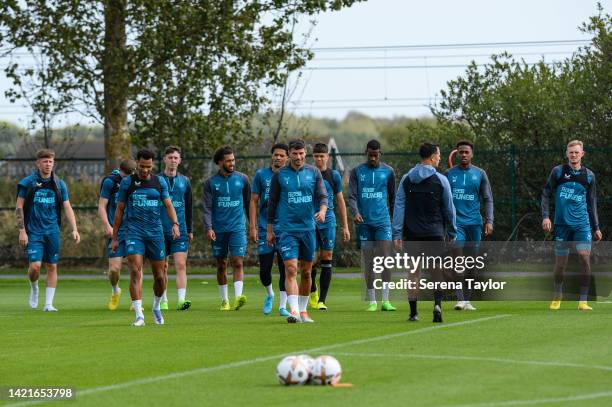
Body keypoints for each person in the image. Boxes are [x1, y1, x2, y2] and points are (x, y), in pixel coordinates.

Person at [112, 148, 180, 326]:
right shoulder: (128, 183)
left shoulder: (159, 182)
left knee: (160, 276)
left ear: (152, 165)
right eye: (142, 166)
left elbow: (168, 205)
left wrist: (175, 224)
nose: (145, 170)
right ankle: (139, 315)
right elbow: (119, 210)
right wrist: (115, 237)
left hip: (155, 233)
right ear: (137, 164)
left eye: (148, 167)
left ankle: (156, 306)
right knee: (135, 270)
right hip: (134, 232)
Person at [393, 141, 456, 322]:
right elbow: (449, 209)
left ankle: (413, 312)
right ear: (431, 157)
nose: (440, 158)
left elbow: (399, 207)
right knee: (437, 271)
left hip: (412, 234)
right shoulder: (441, 180)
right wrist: (452, 231)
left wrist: (397, 234)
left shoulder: (406, 179)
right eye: (438, 154)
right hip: (435, 233)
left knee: (413, 273)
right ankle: (437, 305)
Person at [267, 139, 328, 323]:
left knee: (307, 272)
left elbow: (323, 196)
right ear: (289, 155)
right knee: (291, 269)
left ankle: (303, 311)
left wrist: (323, 211)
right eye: (295, 153)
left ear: (305, 154)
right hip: (286, 229)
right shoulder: (279, 175)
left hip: (308, 229)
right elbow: (272, 203)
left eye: (302, 153)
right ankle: (293, 311)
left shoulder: (314, 172)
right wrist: (270, 230)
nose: (299, 157)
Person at [16, 149, 80, 312]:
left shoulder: (59, 184)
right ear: (38, 163)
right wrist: (22, 230)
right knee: (35, 267)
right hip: (34, 232)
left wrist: (74, 228)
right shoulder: (28, 182)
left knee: (52, 266)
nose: (48, 164)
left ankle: (48, 304)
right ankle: (34, 286)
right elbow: (19, 207)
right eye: (45, 161)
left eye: (50, 161)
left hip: (52, 231)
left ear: (53, 163)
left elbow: (67, 206)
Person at [541, 140, 602, 311]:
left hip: (582, 225)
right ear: (567, 154)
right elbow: (546, 193)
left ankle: (583, 301)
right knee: (561, 263)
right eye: (571, 152)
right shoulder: (558, 172)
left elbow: (591, 202)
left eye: (577, 152)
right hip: (562, 225)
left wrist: (596, 227)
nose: (574, 155)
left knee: (584, 257)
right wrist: (545, 217)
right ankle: (558, 295)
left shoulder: (589, 176)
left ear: (582, 154)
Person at [348, 139, 396, 312]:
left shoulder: (388, 172)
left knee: (385, 258)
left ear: (380, 154)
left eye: (376, 155)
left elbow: (393, 198)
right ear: (366, 153)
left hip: (383, 223)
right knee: (369, 261)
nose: (373, 158)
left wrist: (394, 221)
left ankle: (386, 300)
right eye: (370, 155)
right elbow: (352, 196)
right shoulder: (356, 172)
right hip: (364, 223)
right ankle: (372, 301)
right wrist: (356, 213)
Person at [446, 140, 493, 311]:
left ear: (472, 154)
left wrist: (489, 220)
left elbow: (487, 198)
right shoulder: (449, 174)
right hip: (457, 225)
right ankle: (459, 299)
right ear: (457, 154)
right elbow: (444, 200)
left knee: (472, 263)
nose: (464, 155)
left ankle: (467, 300)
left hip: (474, 224)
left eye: (467, 152)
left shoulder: (480, 174)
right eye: (461, 152)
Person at [203, 146, 250, 311]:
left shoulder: (243, 179)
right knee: (221, 264)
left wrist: (253, 226)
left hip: (237, 228)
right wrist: (209, 227)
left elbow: (248, 203)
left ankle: (238, 298)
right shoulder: (210, 183)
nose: (232, 163)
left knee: (238, 261)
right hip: (219, 229)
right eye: (228, 161)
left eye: (233, 160)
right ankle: (224, 300)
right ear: (220, 162)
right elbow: (207, 208)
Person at [249, 143, 290, 316]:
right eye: (276, 155)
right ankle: (269, 294)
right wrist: (252, 226)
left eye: (282, 155)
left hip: (286, 229)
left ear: (287, 158)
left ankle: (283, 306)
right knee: (264, 270)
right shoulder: (261, 175)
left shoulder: (291, 176)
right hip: (265, 227)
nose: (278, 158)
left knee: (285, 269)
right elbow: (253, 201)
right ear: (272, 156)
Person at [309, 142, 350, 310]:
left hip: (329, 221)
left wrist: (345, 226)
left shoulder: (334, 176)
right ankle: (312, 292)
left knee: (327, 257)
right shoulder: (308, 174)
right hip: (310, 221)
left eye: (322, 156)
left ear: (327, 157)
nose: (319, 159)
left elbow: (340, 200)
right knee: (311, 260)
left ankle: (322, 301)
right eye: (316, 156)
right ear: (313, 157)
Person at [98, 159, 136, 310]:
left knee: (135, 267)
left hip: (134, 230)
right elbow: (101, 207)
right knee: (114, 269)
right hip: (116, 231)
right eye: (126, 175)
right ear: (120, 171)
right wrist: (108, 226)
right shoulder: (110, 182)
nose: (128, 178)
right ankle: (115, 290)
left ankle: (135, 301)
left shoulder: (137, 181)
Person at [159, 146, 193, 311]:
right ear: (164, 159)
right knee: (162, 267)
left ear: (179, 161)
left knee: (180, 264)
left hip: (181, 231)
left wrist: (190, 229)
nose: (173, 160)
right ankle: (163, 300)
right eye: (170, 157)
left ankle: (181, 301)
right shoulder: (156, 180)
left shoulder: (185, 181)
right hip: (159, 230)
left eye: (176, 158)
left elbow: (189, 207)